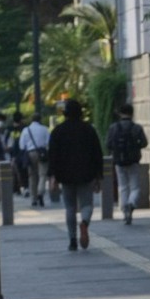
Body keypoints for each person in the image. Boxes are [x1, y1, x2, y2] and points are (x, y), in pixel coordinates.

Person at [47, 99, 104, 251]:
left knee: (70, 208)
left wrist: (52, 176)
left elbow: (52, 156)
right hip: (86, 174)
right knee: (87, 205)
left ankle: (72, 239)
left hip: (65, 175)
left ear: (65, 113)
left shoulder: (58, 131)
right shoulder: (89, 130)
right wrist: (99, 176)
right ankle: (84, 223)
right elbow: (97, 153)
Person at [106, 104, 149, 224]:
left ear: (120, 114)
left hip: (119, 161)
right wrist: (135, 146)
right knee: (135, 187)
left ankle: (125, 210)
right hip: (133, 161)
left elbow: (108, 144)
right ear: (132, 113)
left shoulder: (113, 127)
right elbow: (144, 143)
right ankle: (131, 203)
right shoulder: (137, 128)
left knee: (123, 187)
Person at [19, 112, 51, 207]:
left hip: (30, 153)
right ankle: (40, 192)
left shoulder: (26, 130)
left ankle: (34, 199)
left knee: (32, 176)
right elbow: (48, 143)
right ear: (40, 119)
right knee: (42, 175)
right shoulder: (44, 129)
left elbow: (21, 145)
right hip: (42, 153)